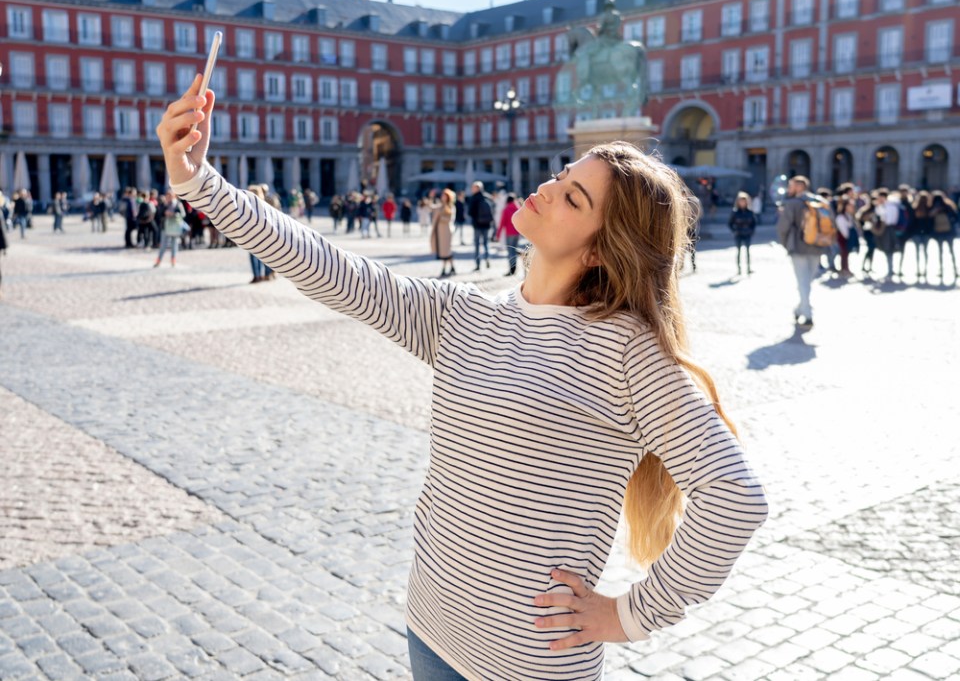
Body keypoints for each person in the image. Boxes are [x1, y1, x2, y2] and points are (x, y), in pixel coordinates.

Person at [157, 79, 768, 681]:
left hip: (528, 665)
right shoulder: (465, 314)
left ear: (600, 251)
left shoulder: (625, 349)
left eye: (574, 198)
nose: (549, 189)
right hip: (432, 629)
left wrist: (628, 614)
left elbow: (734, 497)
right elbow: (332, 271)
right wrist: (199, 181)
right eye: (562, 175)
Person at [776, 175, 827, 329]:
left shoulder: (792, 204)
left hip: (798, 247)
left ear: (799, 187)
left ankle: (807, 313)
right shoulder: (819, 201)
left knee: (802, 282)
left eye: (791, 186)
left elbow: (782, 227)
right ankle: (800, 309)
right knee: (808, 281)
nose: (788, 189)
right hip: (817, 246)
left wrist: (786, 244)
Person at [929, 190, 958, 283]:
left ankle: (946, 270)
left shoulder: (936, 206)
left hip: (941, 232)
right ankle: (954, 270)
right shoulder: (948, 205)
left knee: (942, 252)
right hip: (948, 232)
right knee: (950, 252)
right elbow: (956, 217)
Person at [467, 180, 494, 271]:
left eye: (473, 188)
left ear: (477, 188)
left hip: (477, 225)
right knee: (486, 243)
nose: (472, 189)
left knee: (477, 244)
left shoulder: (474, 198)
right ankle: (487, 258)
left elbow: (470, 212)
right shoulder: (487, 196)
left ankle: (478, 264)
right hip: (487, 224)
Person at [153, 191, 185, 267]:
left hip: (175, 227)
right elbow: (158, 215)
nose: (169, 198)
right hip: (165, 227)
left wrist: (174, 214)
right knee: (163, 245)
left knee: (174, 245)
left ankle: (173, 260)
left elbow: (183, 214)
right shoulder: (164, 204)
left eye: (170, 196)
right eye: (167, 196)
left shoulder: (177, 204)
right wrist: (165, 213)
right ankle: (158, 260)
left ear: (173, 196)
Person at [728, 191, 757, 275]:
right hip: (738, 234)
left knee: (748, 252)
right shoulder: (735, 212)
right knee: (739, 252)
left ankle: (748, 268)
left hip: (747, 233)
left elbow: (754, 223)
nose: (742, 203)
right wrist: (734, 231)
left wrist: (751, 231)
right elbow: (730, 223)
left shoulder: (750, 212)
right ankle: (739, 269)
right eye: (741, 201)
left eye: (744, 201)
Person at [493, 193, 521, 276]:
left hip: (509, 233)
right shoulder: (518, 208)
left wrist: (497, 235)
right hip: (517, 233)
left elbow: (502, 223)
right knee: (514, 250)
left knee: (510, 252)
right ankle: (514, 268)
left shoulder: (506, 209)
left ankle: (512, 269)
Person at [430, 188, 456, 278]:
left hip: (447, 231)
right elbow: (431, 207)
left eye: (444, 196)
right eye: (442, 195)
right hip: (440, 231)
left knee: (445, 251)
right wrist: (431, 197)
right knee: (445, 251)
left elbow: (450, 219)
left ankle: (444, 269)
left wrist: (440, 217)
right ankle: (452, 267)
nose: (442, 197)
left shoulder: (450, 206)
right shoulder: (440, 205)